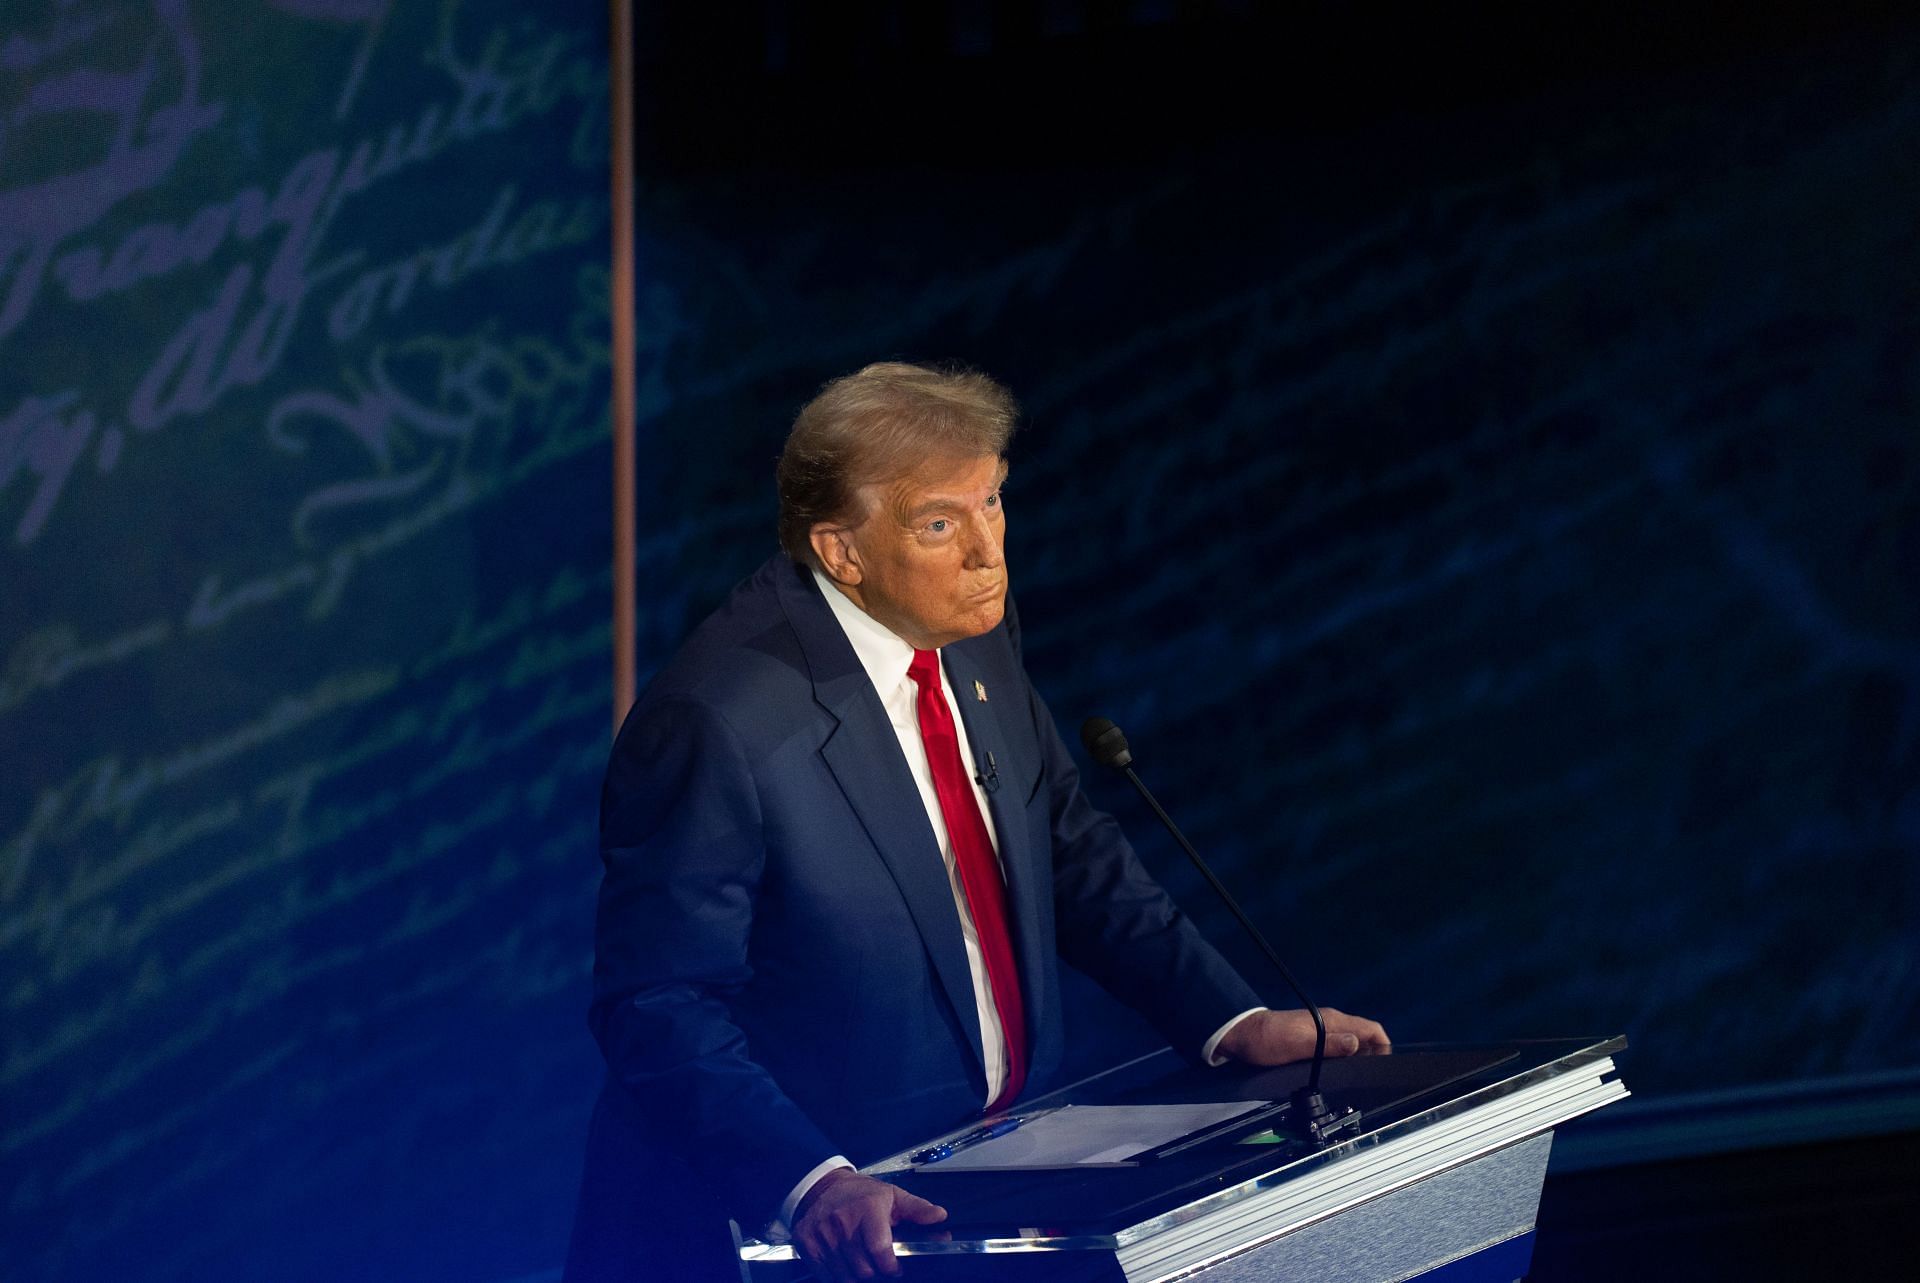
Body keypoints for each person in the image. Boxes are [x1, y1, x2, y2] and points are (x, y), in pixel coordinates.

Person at [564, 362, 1388, 1283]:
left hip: (978, 1202)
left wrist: (1229, 1018)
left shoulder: (970, 629)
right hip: (780, 1240)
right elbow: (657, 1005)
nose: (988, 549)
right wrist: (813, 1183)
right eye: (941, 524)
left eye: (993, 501)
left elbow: (1066, 852)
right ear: (843, 552)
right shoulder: (719, 718)